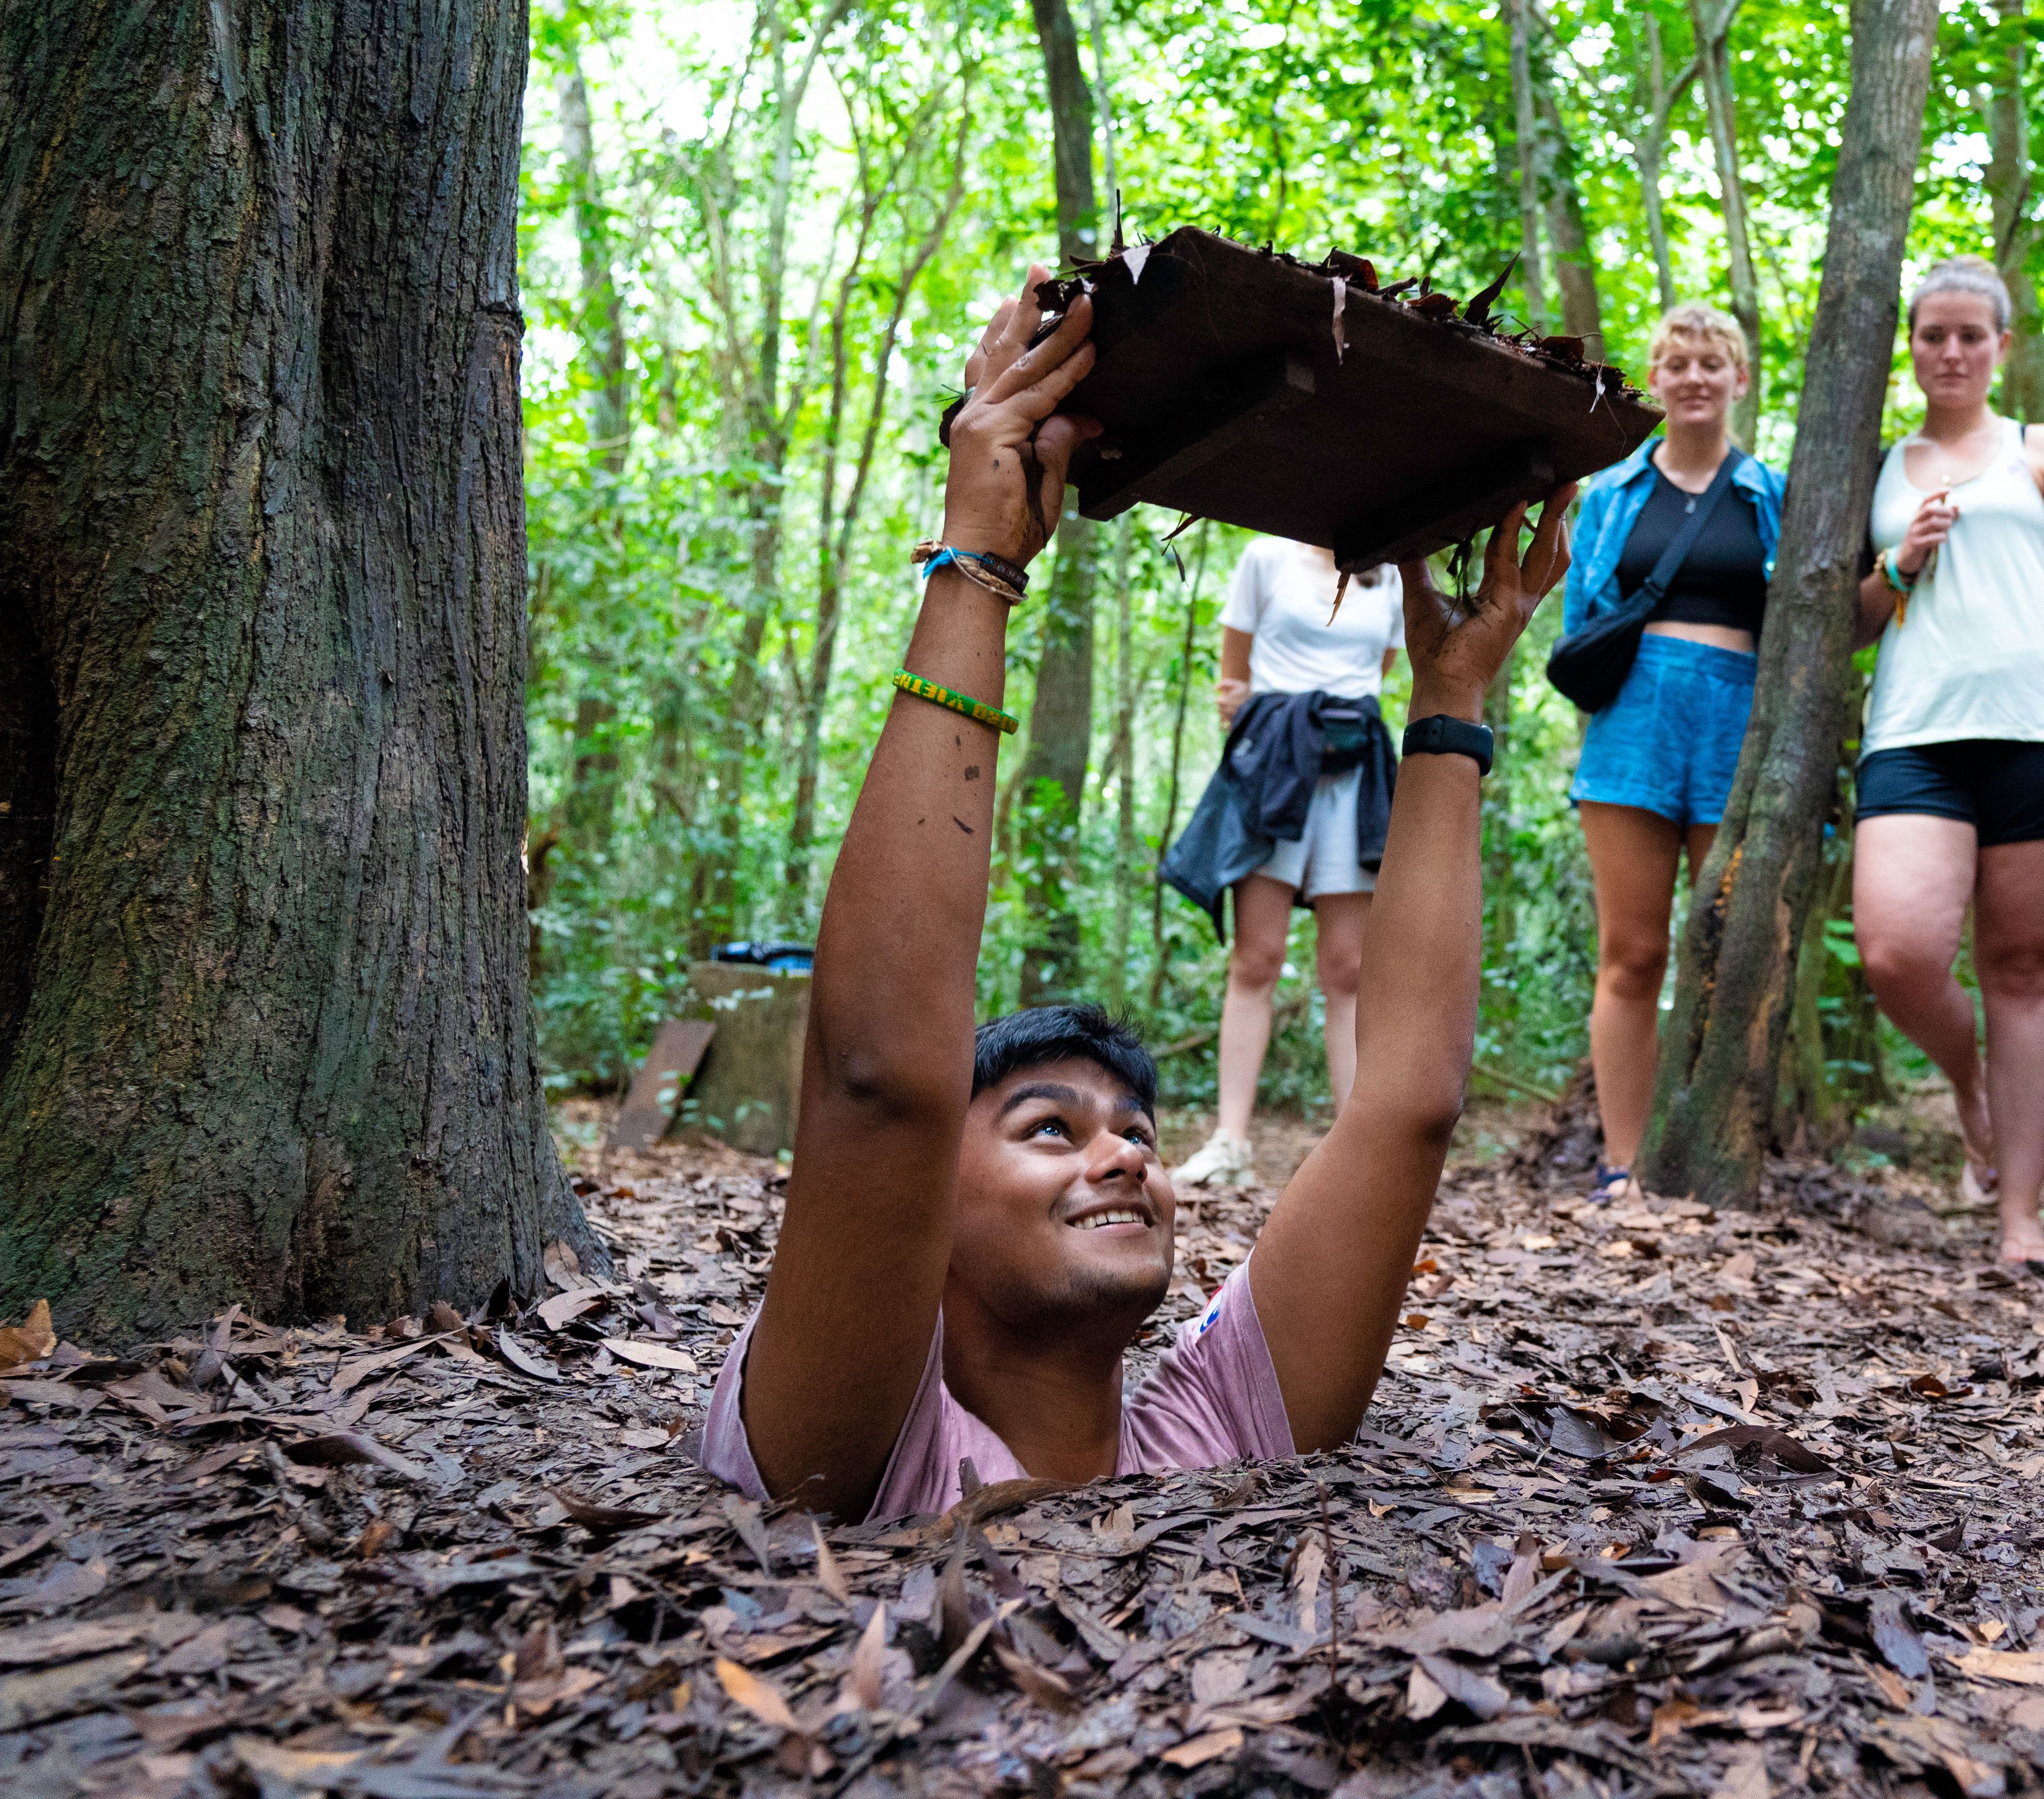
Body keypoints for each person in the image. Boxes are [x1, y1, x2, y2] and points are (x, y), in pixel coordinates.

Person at [703, 271, 1574, 1520]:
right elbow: (880, 1081)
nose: (1122, 1154)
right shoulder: (854, 1437)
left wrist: (1451, 697)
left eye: (1135, 1136)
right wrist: (979, 562)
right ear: (917, 1212)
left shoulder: (1221, 1425)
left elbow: (1407, 1106)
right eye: (1050, 1128)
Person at [1851, 257, 2044, 1277]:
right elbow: (1842, 621)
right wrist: (1901, 564)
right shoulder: (1881, 465)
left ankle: (2021, 1220)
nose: (1949, 352)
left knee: (2025, 971)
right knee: (1897, 951)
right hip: (1914, 732)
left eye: (1970, 336)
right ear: (1910, 345)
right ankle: (1966, 1081)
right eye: (1932, 334)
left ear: (2002, 347)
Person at [1562, 307, 1784, 1202]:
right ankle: (1624, 1165)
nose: (1694, 377)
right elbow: (1582, 617)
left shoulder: (1771, 492)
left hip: (1737, 719)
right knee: (1633, 952)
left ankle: (1716, 1158)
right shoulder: (1614, 494)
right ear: (1655, 380)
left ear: (1739, 379)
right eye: (1676, 363)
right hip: (1634, 720)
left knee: (1729, 952)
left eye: (1711, 363)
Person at [1155, 538, 1405, 1187]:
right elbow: (1232, 676)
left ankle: (1357, 1149)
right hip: (1273, 767)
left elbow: (1379, 671)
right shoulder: (1264, 557)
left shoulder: (1394, 571)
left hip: (1356, 776)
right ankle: (1230, 1141)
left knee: (1349, 967)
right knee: (1256, 955)